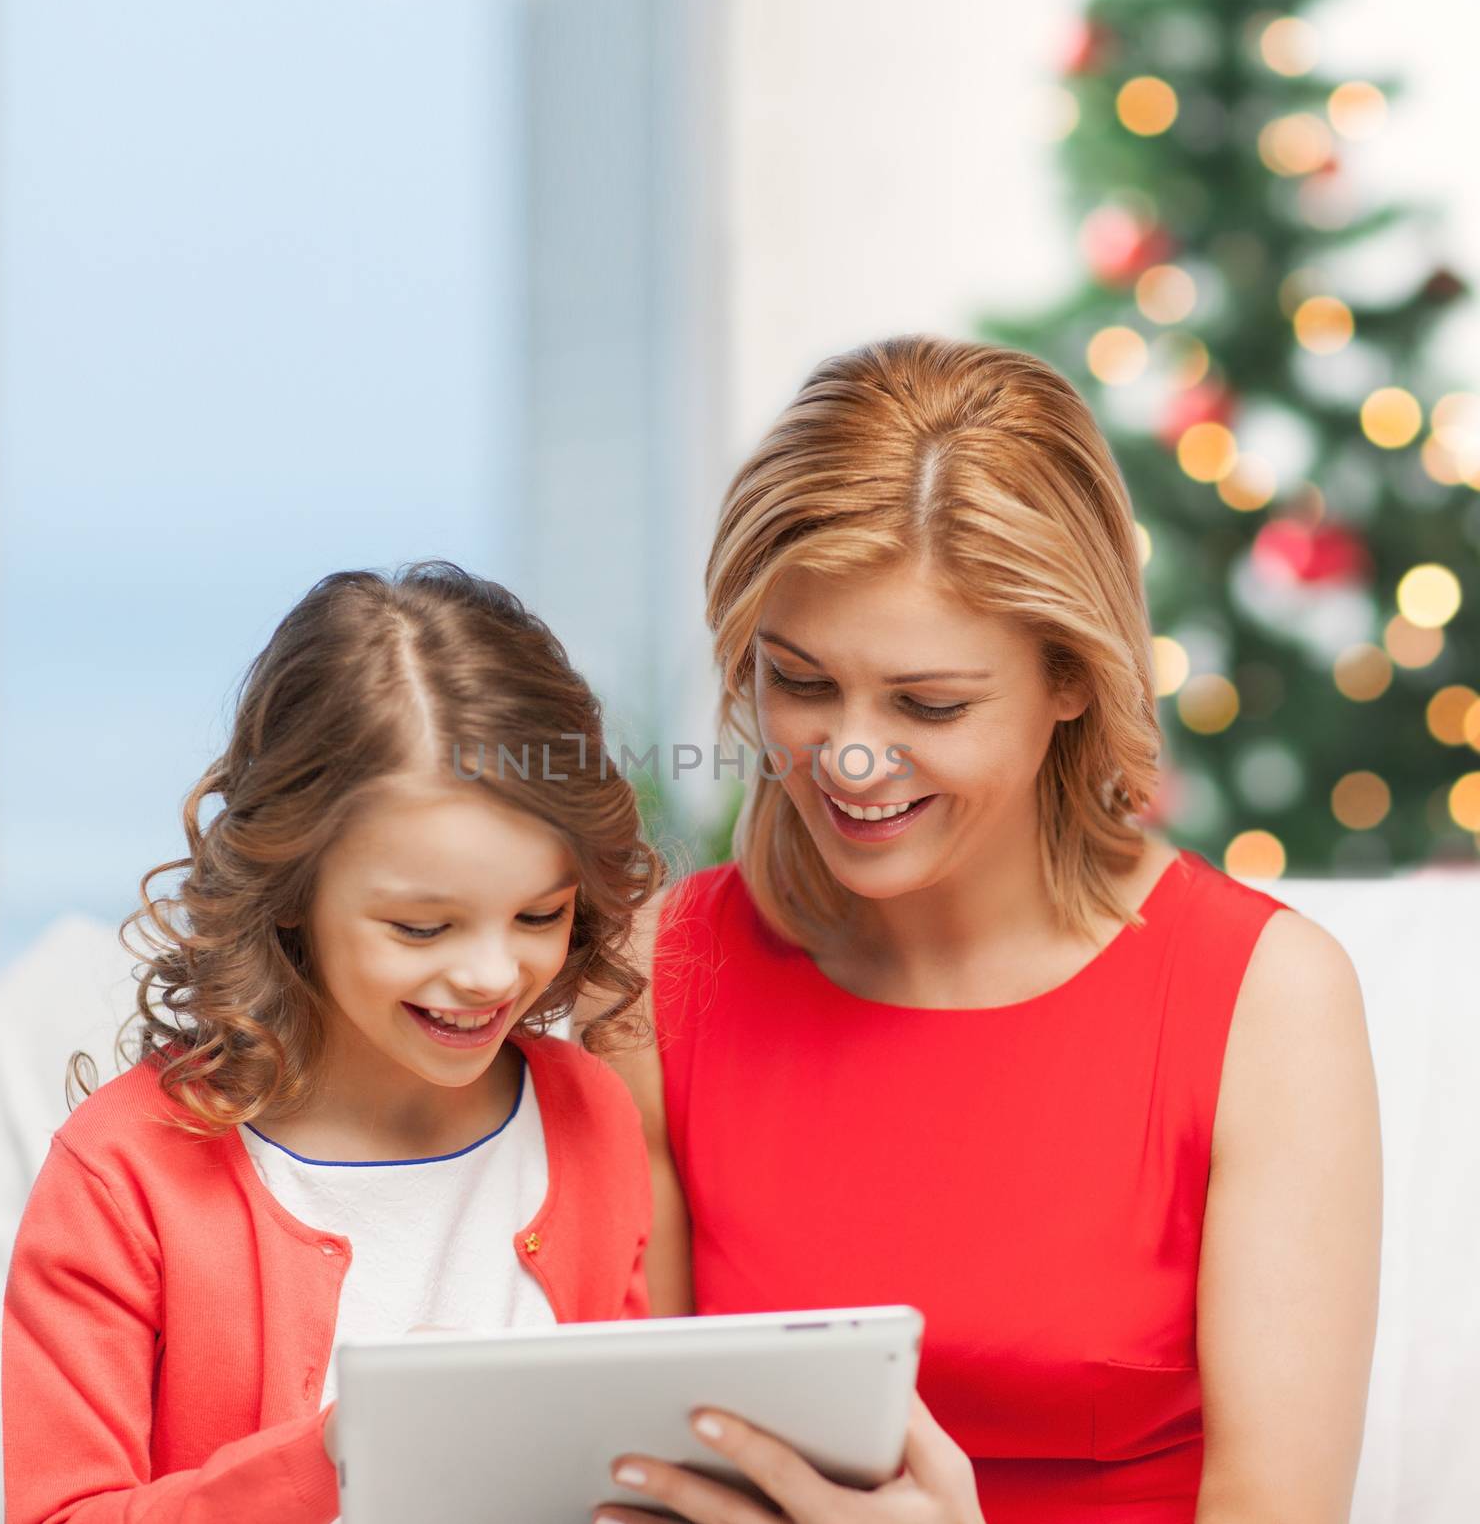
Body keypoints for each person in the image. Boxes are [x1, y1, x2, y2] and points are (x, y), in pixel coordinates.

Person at [589, 338, 1382, 1524]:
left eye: (929, 704)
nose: (849, 757)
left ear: (1073, 678)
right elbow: (624, 1470)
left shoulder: (1263, 1002)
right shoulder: (662, 978)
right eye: (798, 682)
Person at [2, 563, 661, 1523]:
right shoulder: (121, 1181)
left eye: (537, 912)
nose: (490, 974)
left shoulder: (587, 1117)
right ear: (295, 892)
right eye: (421, 928)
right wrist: (336, 1455)